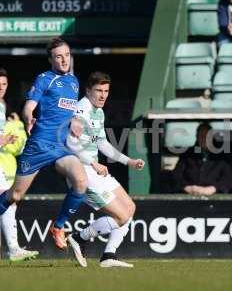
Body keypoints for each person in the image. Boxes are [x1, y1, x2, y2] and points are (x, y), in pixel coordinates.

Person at [0, 38, 88, 251]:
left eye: (67, 55)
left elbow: (71, 112)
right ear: (51, 60)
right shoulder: (44, 79)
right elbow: (29, 106)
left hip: (60, 147)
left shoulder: (74, 82)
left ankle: (58, 227)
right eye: (59, 56)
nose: (64, 59)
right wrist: (29, 117)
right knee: (15, 195)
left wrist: (75, 121)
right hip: (39, 145)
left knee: (81, 182)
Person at [66, 72, 145, 268]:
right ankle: (79, 237)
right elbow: (70, 144)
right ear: (88, 90)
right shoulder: (80, 110)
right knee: (121, 216)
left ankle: (108, 255)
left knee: (130, 208)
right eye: (98, 90)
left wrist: (129, 161)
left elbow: (102, 143)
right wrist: (93, 163)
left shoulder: (98, 112)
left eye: (106, 91)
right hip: (81, 172)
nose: (103, 95)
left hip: (94, 170)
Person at [0, 69, 39, 261]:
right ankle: (13, 248)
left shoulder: (2, 105)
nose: (1, 88)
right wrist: (3, 140)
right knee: (8, 201)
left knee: (9, 201)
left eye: (4, 84)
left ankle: (13, 248)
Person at [173, 123, 232, 195]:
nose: (204, 139)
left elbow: (228, 179)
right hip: (189, 196)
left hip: (215, 197)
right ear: (196, 137)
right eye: (201, 136)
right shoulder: (187, 155)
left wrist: (213, 189)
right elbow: (176, 176)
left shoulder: (222, 156)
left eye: (207, 136)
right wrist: (187, 188)